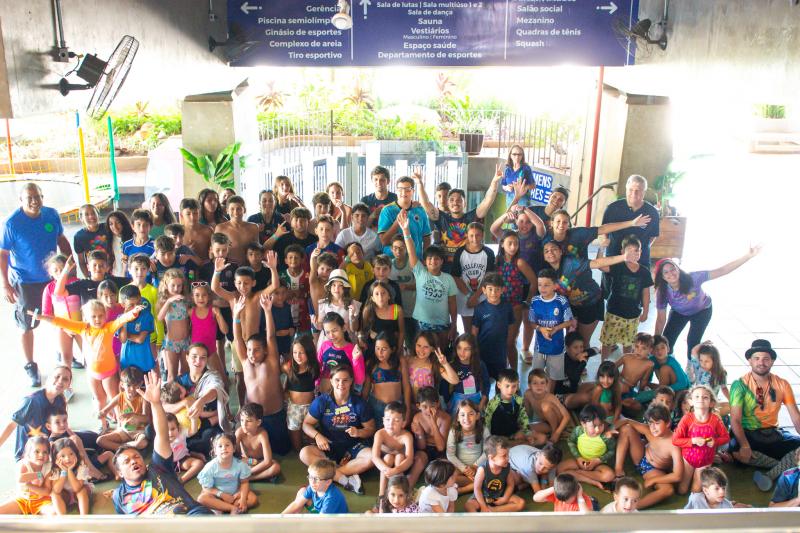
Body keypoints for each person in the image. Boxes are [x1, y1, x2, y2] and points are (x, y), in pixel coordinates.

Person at [0, 183, 72, 386]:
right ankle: (30, 365)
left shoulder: (51, 215)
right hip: (25, 282)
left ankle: (65, 356)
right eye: (29, 197)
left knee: (62, 319)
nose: (34, 201)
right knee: (26, 324)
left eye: (37, 196)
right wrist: (5, 283)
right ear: (21, 201)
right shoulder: (12, 224)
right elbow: (3, 255)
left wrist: (69, 264)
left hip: (53, 278)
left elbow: (61, 240)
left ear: (42, 197)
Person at [112, 371, 213, 515]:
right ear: (120, 473)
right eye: (126, 461)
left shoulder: (158, 468)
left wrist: (155, 403)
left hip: (190, 517)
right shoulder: (118, 496)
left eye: (136, 457)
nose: (134, 461)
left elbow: (162, 435)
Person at [653, 245, 761, 361]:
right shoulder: (662, 292)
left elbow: (722, 270)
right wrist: (655, 341)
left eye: (673, 269)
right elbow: (660, 319)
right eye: (666, 272)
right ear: (662, 277)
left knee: (693, 342)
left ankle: (692, 367)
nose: (671, 274)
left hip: (702, 311)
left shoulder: (693, 278)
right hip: (679, 313)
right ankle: (668, 364)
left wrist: (748, 256)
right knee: (666, 340)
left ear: (678, 269)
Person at [729, 339, 800, 491]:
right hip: (748, 435)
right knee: (735, 450)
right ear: (750, 360)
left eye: (766, 359)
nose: (761, 362)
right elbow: (734, 420)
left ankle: (770, 475)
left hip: (773, 434)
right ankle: (787, 466)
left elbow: (796, 417)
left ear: (772, 361)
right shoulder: (739, 385)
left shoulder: (782, 384)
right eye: (757, 358)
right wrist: (744, 445)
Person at [300, 363, 375, 495]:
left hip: (352, 448)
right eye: (337, 380)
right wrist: (318, 436)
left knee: (371, 457)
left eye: (345, 380)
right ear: (331, 381)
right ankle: (345, 478)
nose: (341, 384)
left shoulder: (359, 403)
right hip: (328, 447)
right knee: (304, 453)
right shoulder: (322, 401)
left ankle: (332, 474)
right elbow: (306, 424)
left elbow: (371, 429)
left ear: (351, 381)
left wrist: (358, 432)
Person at [231, 294, 290, 456]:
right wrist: (236, 316)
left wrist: (267, 311)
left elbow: (270, 336)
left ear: (265, 350)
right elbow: (237, 340)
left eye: (256, 349)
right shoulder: (245, 362)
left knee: (283, 451)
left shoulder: (271, 361)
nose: (252, 353)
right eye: (249, 349)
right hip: (253, 419)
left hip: (274, 415)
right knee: (254, 453)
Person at [414, 168, 500, 271]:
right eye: (452, 200)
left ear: (465, 204)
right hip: (445, 266)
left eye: (459, 200)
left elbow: (487, 201)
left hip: (466, 265)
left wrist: (494, 182)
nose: (455, 202)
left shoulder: (471, 217)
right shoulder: (441, 218)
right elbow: (426, 203)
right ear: (448, 203)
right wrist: (419, 183)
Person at [399, 211, 458, 348]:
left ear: (442, 261)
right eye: (430, 258)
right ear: (424, 262)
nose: (433, 261)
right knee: (421, 355)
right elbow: (412, 251)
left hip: (442, 325)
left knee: (440, 356)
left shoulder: (448, 279)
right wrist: (406, 231)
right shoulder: (420, 272)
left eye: (437, 258)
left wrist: (454, 325)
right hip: (421, 323)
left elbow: (453, 305)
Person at [613, 404, 682, 509]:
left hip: (653, 471)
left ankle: (634, 507)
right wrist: (609, 430)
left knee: (668, 490)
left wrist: (654, 480)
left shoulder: (674, 445)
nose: (653, 428)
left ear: (668, 423)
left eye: (657, 423)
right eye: (651, 423)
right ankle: (618, 471)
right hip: (640, 457)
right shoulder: (649, 430)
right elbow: (627, 420)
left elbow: (677, 476)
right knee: (627, 428)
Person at [0, 365, 71, 461]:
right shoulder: (31, 401)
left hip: (48, 447)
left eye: (65, 379)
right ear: (49, 378)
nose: (60, 381)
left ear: (69, 384)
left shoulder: (60, 400)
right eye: (57, 376)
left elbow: (59, 429)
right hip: (30, 454)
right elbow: (11, 425)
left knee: (84, 441)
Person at [599, 235, 653, 359]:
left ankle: (627, 365)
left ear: (641, 252)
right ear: (622, 252)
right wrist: (601, 248)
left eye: (637, 251)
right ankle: (604, 364)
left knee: (628, 344)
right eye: (630, 250)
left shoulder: (644, 272)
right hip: (614, 314)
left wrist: (645, 312)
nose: (634, 254)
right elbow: (600, 265)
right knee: (607, 342)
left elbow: (646, 293)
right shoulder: (618, 266)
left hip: (633, 316)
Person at [672, 385, 729, 494]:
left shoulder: (715, 419)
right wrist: (692, 441)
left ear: (712, 403)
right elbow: (675, 440)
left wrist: (715, 441)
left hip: (705, 461)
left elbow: (726, 437)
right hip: (688, 459)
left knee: (696, 491)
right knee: (682, 490)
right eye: (697, 397)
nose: (701, 400)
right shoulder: (687, 419)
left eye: (705, 397)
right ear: (691, 401)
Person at [600, 174, 660, 266]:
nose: (634, 194)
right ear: (626, 189)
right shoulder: (612, 208)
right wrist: (606, 241)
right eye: (630, 190)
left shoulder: (652, 212)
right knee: (611, 279)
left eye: (638, 191)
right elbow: (605, 229)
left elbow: (653, 235)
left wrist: (640, 248)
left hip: (640, 259)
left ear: (644, 192)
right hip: (614, 255)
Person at [528, 268, 573, 386]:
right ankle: (536, 400)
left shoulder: (561, 301)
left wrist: (556, 329)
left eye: (546, 285)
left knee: (553, 377)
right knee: (536, 375)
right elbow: (532, 322)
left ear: (555, 286)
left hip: (556, 347)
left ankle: (550, 396)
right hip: (539, 347)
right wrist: (540, 328)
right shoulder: (535, 301)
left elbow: (569, 321)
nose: (542, 288)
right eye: (539, 285)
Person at [196, 433, 257, 514]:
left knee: (253, 499)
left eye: (227, 445)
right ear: (215, 451)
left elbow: (244, 482)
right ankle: (233, 508)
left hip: (235, 495)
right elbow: (206, 488)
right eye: (220, 446)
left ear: (234, 448)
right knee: (201, 499)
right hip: (217, 496)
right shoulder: (210, 467)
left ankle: (223, 507)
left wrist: (242, 499)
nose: (224, 448)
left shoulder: (240, 465)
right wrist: (221, 494)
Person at [451, 222, 495, 332]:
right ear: (466, 235)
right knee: (468, 331)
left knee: (483, 330)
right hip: (465, 295)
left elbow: (488, 278)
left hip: (483, 295)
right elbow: (455, 277)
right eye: (471, 235)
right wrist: (470, 296)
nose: (474, 238)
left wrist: (475, 297)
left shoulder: (488, 253)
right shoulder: (460, 252)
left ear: (483, 235)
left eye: (478, 235)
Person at [559, 404, 616, 488]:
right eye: (594, 426)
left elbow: (612, 451)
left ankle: (579, 473)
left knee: (609, 476)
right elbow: (571, 442)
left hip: (598, 465)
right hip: (580, 461)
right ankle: (592, 481)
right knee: (560, 469)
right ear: (583, 424)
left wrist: (598, 460)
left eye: (600, 425)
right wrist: (578, 457)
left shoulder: (606, 437)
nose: (597, 430)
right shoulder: (578, 431)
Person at [465, 435, 526, 512]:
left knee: (521, 503)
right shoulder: (482, 470)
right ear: (491, 458)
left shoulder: (507, 467)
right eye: (504, 456)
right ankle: (480, 517)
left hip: (499, 496)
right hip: (483, 497)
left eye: (508, 455)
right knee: (469, 505)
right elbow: (477, 489)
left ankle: (493, 510)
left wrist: (505, 498)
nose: (508, 458)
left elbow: (510, 484)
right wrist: (483, 505)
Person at [471, 272, 515, 380]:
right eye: (490, 289)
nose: (493, 293)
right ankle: (484, 397)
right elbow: (474, 331)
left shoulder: (507, 307)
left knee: (500, 380)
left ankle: (499, 397)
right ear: (484, 290)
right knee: (482, 379)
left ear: (502, 290)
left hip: (500, 353)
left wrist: (508, 345)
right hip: (483, 352)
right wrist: (474, 350)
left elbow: (511, 327)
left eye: (497, 289)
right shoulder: (479, 308)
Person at [371, 401, 419, 496]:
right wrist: (386, 469)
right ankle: (381, 494)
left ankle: (401, 492)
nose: (391, 423)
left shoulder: (406, 436)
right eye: (388, 419)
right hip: (385, 464)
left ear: (403, 423)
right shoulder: (380, 434)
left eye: (396, 421)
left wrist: (395, 470)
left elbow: (409, 459)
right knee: (388, 458)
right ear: (383, 420)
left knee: (400, 457)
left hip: (400, 465)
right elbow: (374, 457)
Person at [378, 175, 431, 258]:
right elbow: (383, 241)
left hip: (415, 261)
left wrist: (425, 258)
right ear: (396, 191)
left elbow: (427, 238)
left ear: (413, 191)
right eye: (400, 189)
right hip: (392, 262)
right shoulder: (387, 210)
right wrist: (397, 222)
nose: (403, 193)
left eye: (407, 190)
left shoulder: (420, 210)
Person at [0, 437, 56, 515]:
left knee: (53, 513)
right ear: (28, 453)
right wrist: (38, 474)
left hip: (42, 500)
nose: (41, 455)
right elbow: (20, 478)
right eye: (36, 451)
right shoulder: (23, 464)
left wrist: (29, 485)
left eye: (45, 452)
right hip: (22, 499)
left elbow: (46, 491)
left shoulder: (48, 467)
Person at [447, 399, 491, 494]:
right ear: (458, 418)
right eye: (462, 415)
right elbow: (450, 455)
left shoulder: (483, 430)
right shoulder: (454, 431)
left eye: (471, 414)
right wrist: (465, 469)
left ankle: (462, 490)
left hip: (479, 466)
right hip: (459, 467)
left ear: (477, 416)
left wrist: (475, 466)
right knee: (447, 476)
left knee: (491, 474)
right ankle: (477, 483)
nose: (466, 418)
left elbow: (488, 451)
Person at [281, 459, 348, 514]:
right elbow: (296, 504)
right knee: (302, 491)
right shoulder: (314, 486)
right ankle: (295, 517)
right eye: (310, 477)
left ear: (328, 482)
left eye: (316, 479)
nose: (312, 482)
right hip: (321, 514)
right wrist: (280, 517)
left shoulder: (331, 497)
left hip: (331, 522)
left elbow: (321, 522)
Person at [484, 369, 532, 445]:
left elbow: (523, 417)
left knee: (540, 438)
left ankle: (514, 443)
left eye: (514, 386)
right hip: (498, 438)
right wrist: (488, 438)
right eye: (507, 386)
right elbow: (487, 422)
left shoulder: (519, 400)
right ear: (499, 385)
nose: (510, 390)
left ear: (518, 385)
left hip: (514, 435)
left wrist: (527, 433)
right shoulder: (493, 403)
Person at [523, 370, 570, 444]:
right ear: (529, 385)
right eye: (535, 383)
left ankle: (555, 431)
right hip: (545, 423)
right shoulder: (527, 394)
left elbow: (567, 416)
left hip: (558, 421)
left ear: (546, 384)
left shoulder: (550, 397)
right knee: (525, 429)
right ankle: (552, 430)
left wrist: (557, 433)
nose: (539, 386)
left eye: (542, 383)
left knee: (545, 406)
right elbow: (528, 413)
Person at [215, 196, 260, 265]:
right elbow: (216, 251)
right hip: (228, 268)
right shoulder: (220, 228)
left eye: (239, 209)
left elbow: (257, 250)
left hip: (248, 267)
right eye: (232, 209)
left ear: (244, 210)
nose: (235, 212)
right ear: (227, 210)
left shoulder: (253, 227)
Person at [73, 204, 110, 278]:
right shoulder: (79, 236)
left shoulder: (107, 228)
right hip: (95, 273)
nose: (91, 216)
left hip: (112, 270)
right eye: (86, 214)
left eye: (93, 213)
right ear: (81, 218)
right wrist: (88, 278)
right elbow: (82, 262)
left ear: (98, 214)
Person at [105, 210, 135, 277]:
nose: (114, 226)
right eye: (111, 224)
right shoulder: (110, 238)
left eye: (117, 222)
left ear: (123, 222)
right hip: (116, 274)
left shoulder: (133, 238)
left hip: (130, 275)